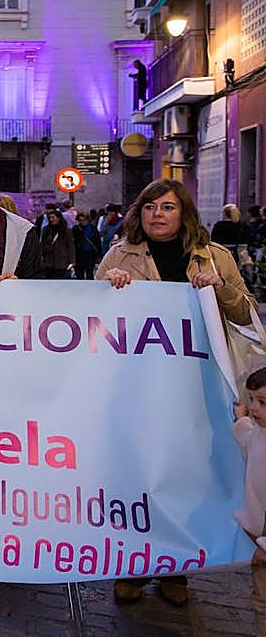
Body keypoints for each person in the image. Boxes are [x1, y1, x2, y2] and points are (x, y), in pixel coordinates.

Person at [99, 178, 257, 605]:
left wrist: (220, 288)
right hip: (137, 382)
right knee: (140, 475)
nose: (157, 215)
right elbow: (92, 314)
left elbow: (245, 311)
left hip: (195, 383)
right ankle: (135, 565)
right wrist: (107, 285)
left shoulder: (215, 256)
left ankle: (176, 570)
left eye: (167, 208)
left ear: (183, 212)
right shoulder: (121, 254)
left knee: (184, 475)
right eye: (150, 207)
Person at [233, 367, 266, 634]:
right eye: (252, 399)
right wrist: (241, 418)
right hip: (259, 539)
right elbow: (248, 438)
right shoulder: (259, 431)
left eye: (262, 403)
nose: (255, 407)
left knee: (263, 603)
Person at [39, 209, 75, 279]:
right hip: (48, 261)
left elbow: (71, 246)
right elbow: (42, 245)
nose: (51, 219)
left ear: (59, 218)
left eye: (53, 217)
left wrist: (72, 261)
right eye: (50, 218)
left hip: (62, 262)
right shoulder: (46, 230)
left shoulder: (66, 231)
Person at [72, 211, 102, 280]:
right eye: (80, 220)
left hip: (90, 253)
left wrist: (99, 254)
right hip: (79, 253)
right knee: (79, 273)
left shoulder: (92, 228)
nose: (82, 222)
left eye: (83, 220)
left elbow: (97, 242)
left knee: (89, 272)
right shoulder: (76, 229)